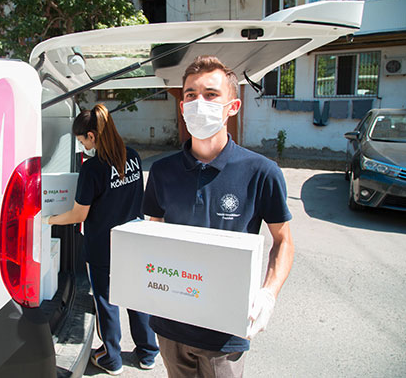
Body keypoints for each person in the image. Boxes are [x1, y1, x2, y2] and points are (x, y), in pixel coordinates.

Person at [142, 56, 294, 378]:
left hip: (225, 332)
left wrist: (268, 293)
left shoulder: (261, 172)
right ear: (182, 107)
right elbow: (154, 232)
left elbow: (283, 241)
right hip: (170, 325)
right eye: (191, 95)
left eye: (211, 94)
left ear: (233, 106)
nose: (199, 102)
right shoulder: (161, 171)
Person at [45, 103, 159, 375]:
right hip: (132, 241)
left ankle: (112, 358)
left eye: (81, 140)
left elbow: (78, 215)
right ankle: (147, 353)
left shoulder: (93, 169)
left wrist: (47, 219)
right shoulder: (133, 156)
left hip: (102, 247)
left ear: (92, 136)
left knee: (106, 302)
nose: (82, 145)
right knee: (136, 297)